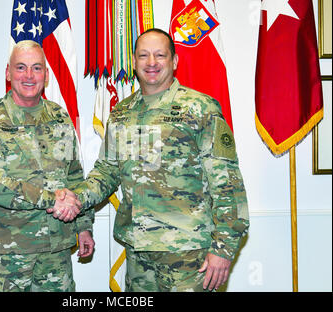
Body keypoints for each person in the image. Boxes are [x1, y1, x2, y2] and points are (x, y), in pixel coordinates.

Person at [49, 28, 249, 292]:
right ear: (134, 62)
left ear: (174, 61)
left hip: (188, 255)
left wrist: (223, 248)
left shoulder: (200, 108)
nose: (151, 63)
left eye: (159, 55)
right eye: (143, 55)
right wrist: (74, 198)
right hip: (138, 252)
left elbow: (227, 184)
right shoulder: (122, 113)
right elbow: (106, 173)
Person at [0, 40, 94, 292]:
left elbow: (74, 175)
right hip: (8, 256)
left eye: (36, 68)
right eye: (21, 67)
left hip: (56, 251)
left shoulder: (59, 117)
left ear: (46, 74)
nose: (29, 76)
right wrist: (50, 200)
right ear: (8, 72)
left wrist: (84, 226)